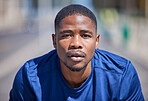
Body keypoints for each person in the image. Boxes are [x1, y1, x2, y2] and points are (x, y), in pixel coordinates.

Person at [9, 4, 144, 101]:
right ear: (54, 41)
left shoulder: (121, 75)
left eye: (85, 35)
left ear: (97, 41)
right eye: (67, 35)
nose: (76, 43)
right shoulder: (30, 77)